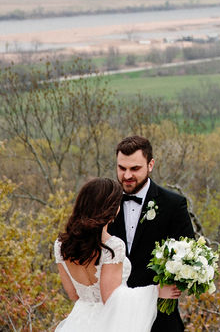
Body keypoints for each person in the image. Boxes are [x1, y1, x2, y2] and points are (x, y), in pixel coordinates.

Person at [53, 177, 180, 331]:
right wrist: (156, 291)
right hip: (109, 324)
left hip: (79, 321)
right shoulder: (113, 246)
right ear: (111, 208)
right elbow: (112, 300)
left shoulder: (60, 245)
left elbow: (73, 294)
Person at [108, 135, 196, 332]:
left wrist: (173, 284)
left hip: (159, 318)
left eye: (135, 169)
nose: (127, 175)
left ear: (151, 165)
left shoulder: (173, 204)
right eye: (122, 168)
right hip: (112, 316)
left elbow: (189, 255)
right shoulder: (105, 202)